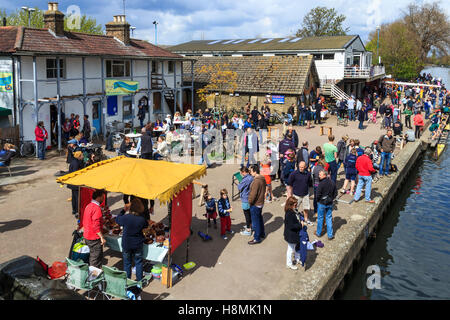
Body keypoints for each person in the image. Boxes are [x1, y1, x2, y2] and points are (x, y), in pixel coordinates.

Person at [116, 198, 148, 282]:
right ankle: (139, 281)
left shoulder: (126, 218)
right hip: (137, 244)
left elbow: (117, 219)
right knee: (138, 262)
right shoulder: (142, 219)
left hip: (127, 244)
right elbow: (146, 226)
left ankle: (127, 282)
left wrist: (123, 210)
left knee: (127, 263)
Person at [82, 189, 106, 269]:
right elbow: (96, 225)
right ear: (98, 197)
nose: (103, 198)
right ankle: (93, 276)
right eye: (103, 197)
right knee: (95, 258)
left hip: (87, 235)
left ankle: (95, 272)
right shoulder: (96, 208)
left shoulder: (88, 205)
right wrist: (102, 237)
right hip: (93, 237)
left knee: (93, 255)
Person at [287, 161, 313, 225]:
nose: (301, 168)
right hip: (296, 194)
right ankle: (293, 220)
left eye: (302, 167)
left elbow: (310, 183)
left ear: (305, 167)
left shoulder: (308, 174)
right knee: (294, 208)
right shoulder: (294, 174)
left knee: (306, 208)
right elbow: (289, 184)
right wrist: (289, 194)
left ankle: (306, 219)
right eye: (300, 167)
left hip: (305, 194)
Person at [315, 170, 337, 240]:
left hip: (321, 203)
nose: (319, 176)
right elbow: (335, 193)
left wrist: (318, 201)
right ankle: (330, 235)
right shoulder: (332, 182)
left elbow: (317, 195)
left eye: (320, 175)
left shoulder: (321, 184)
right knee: (329, 218)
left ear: (324, 175)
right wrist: (331, 199)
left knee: (320, 218)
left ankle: (318, 233)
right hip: (329, 203)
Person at [248, 164, 266, 245]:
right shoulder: (262, 178)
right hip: (260, 202)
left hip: (255, 203)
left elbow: (253, 194)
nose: (250, 173)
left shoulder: (256, 181)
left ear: (254, 171)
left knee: (256, 222)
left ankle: (256, 238)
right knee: (259, 219)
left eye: (250, 171)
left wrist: (250, 202)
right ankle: (262, 233)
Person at [283, 196, 302, 270]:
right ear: (290, 205)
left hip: (294, 234)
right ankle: (289, 263)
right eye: (295, 204)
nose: (296, 206)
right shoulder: (289, 214)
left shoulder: (293, 211)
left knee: (297, 246)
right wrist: (301, 225)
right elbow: (291, 226)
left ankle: (297, 258)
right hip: (291, 235)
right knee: (290, 249)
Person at [238, 166, 254, 236]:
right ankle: (250, 225)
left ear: (244, 172)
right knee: (249, 213)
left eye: (242, 173)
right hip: (250, 197)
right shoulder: (251, 177)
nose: (241, 174)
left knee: (247, 214)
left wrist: (240, 182)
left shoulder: (245, 179)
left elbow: (239, 187)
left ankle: (248, 229)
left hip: (245, 198)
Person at [68, 151, 85, 217]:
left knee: (74, 197)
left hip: (72, 183)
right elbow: (75, 173)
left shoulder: (74, 161)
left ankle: (74, 210)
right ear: (79, 156)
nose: (83, 156)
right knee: (77, 198)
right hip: (75, 183)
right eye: (82, 155)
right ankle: (77, 211)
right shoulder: (75, 163)